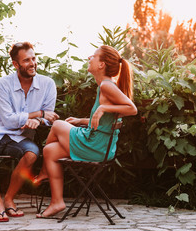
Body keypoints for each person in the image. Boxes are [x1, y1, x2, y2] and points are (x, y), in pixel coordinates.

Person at [34, 45, 137, 218]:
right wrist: (80, 121)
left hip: (96, 146)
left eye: (94, 56)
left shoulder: (106, 86)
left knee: (58, 125)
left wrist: (102, 108)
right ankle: (57, 202)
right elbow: (103, 122)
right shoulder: (104, 86)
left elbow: (132, 109)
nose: (90, 57)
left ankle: (44, 171)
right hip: (100, 147)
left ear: (101, 64)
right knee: (49, 151)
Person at [0, 42, 59, 222]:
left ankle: (9, 198)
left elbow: (48, 117)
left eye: (33, 58)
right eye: (26, 60)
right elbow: (8, 120)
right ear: (16, 64)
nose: (32, 63)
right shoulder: (2, 84)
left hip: (20, 136)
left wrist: (37, 120)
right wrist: (38, 113)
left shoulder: (47, 84)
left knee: (32, 154)